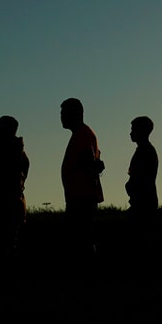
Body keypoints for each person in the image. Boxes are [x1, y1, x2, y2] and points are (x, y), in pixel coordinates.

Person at [60, 98, 105, 257]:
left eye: (64, 113)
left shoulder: (84, 135)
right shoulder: (81, 135)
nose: (61, 117)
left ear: (76, 114)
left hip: (82, 199)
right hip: (79, 197)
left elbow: (89, 164)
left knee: (80, 242)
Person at [0, 115, 29, 258]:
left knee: (3, 250)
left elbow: (3, 184)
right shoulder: (14, 151)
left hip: (4, 210)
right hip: (7, 209)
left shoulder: (5, 151)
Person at [126, 116, 160, 221]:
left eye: (133, 130)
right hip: (140, 202)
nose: (131, 133)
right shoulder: (144, 150)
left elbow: (142, 179)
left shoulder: (145, 151)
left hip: (143, 203)